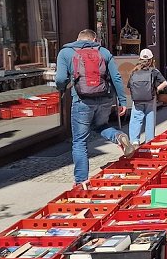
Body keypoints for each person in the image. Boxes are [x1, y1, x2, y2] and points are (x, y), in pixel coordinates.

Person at [55, 29, 135, 186]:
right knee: (100, 125)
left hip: (82, 100)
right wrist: (123, 101)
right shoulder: (103, 52)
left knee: (79, 141)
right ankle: (118, 136)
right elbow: (116, 77)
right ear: (95, 39)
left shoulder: (66, 53)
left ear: (77, 39)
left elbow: (60, 79)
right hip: (105, 98)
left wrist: (62, 87)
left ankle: (81, 181)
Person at [128, 49, 167, 145]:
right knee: (150, 118)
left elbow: (129, 86)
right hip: (150, 98)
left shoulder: (134, 71)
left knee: (136, 118)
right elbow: (165, 83)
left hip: (137, 99)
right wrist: (157, 90)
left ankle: (134, 140)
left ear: (139, 59)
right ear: (151, 60)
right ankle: (149, 140)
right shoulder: (154, 71)